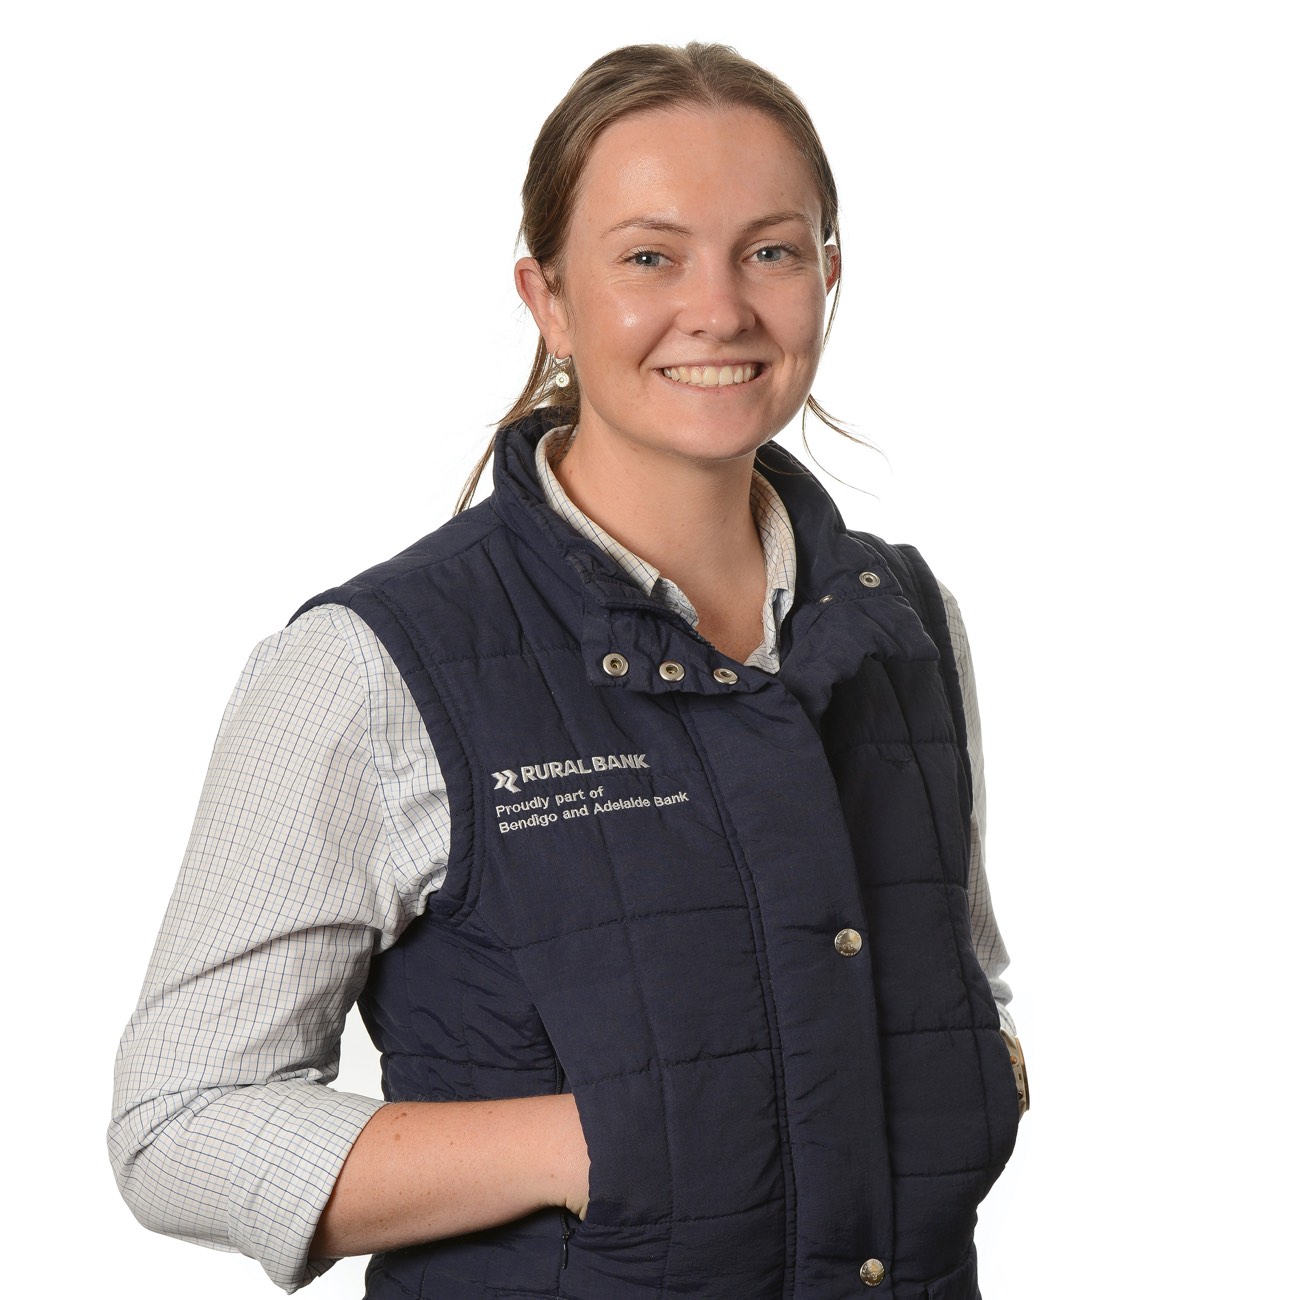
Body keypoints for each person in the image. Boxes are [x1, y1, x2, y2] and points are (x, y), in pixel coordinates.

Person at [110, 41, 1026, 1300]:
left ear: (827, 276)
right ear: (548, 297)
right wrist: (595, 1143)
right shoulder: (371, 666)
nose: (719, 308)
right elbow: (178, 1123)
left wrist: (983, 1065)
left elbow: (955, 979)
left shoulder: (903, 623)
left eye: (768, 250)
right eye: (650, 256)